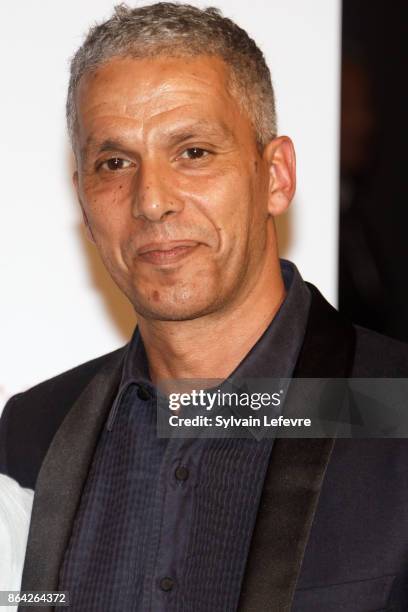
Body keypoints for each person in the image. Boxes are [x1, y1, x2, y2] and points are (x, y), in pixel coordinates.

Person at [1, 3, 408, 611]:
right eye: (115, 163)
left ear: (275, 176)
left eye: (192, 151)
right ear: (84, 201)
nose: (152, 201)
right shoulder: (34, 431)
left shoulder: (394, 408)